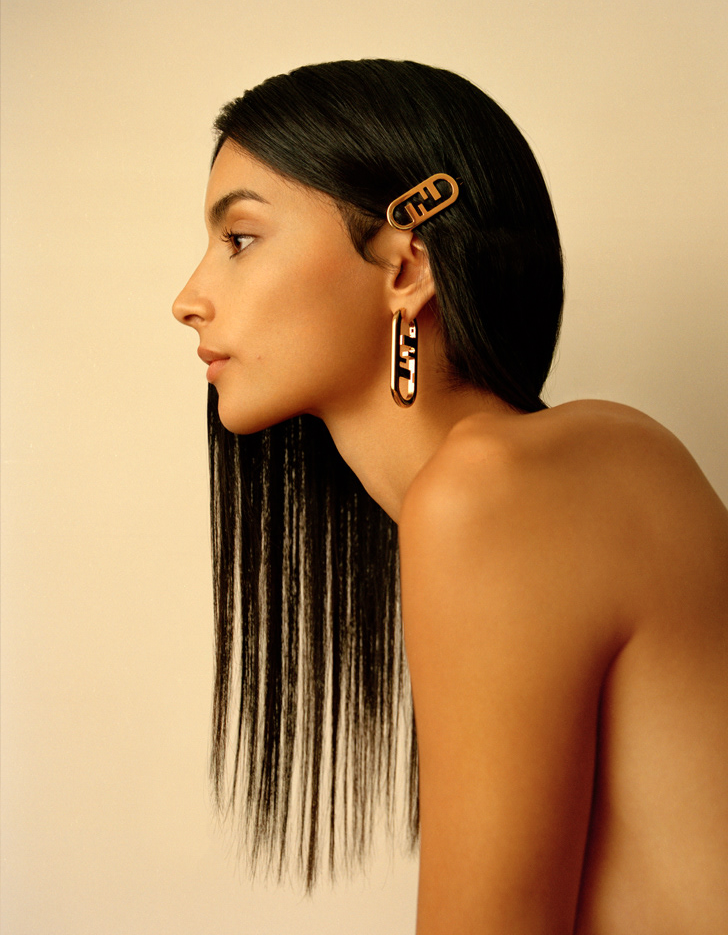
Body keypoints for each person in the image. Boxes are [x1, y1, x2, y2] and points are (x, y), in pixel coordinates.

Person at [172, 59, 728, 933]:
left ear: (406, 269)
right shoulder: (600, 459)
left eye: (240, 239)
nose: (187, 299)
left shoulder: (495, 490)